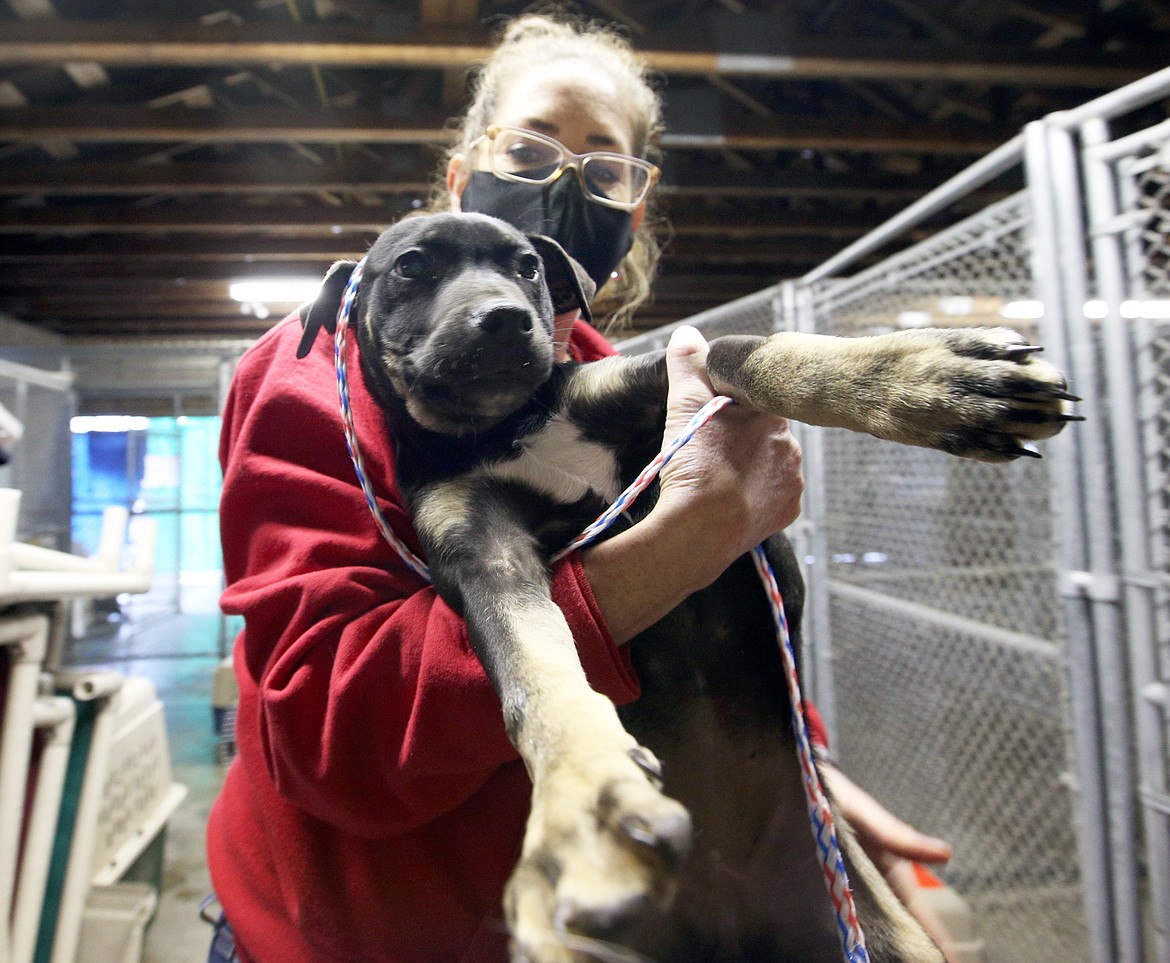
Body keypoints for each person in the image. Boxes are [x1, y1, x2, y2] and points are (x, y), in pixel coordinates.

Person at [206, 11, 954, 962]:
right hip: (357, 935)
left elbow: (731, 631)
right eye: (531, 147)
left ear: (633, 211)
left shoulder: (630, 385)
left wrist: (805, 779)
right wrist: (686, 540)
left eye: (606, 167)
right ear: (460, 172)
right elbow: (329, 739)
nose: (565, 182)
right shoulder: (328, 370)